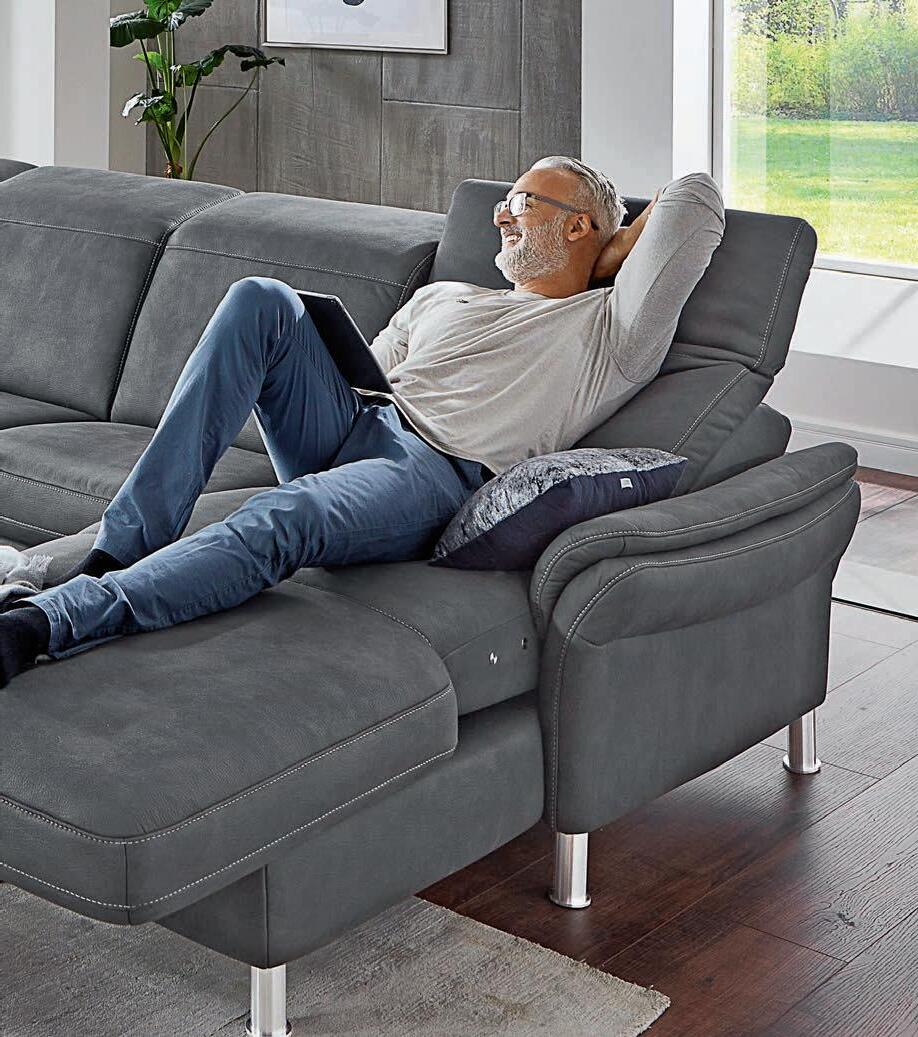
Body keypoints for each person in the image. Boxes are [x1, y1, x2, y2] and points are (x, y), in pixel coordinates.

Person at [0, 156, 725, 687]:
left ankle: (47, 622)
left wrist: (609, 250)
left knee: (286, 514)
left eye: (522, 201)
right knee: (261, 297)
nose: (501, 214)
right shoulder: (444, 296)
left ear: (579, 224)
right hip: (357, 420)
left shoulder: (610, 330)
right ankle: (120, 548)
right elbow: (369, 374)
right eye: (505, 201)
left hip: (430, 471)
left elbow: (694, 199)